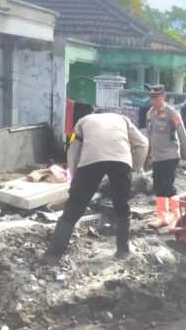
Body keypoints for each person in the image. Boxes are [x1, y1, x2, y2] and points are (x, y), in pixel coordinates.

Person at [47, 110, 148, 259]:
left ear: (95, 113)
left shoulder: (83, 120)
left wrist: (75, 177)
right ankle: (123, 251)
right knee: (122, 207)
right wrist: (136, 168)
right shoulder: (123, 119)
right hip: (121, 161)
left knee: (74, 207)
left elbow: (73, 149)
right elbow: (143, 143)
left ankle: (53, 254)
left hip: (90, 162)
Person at [146, 84, 186, 228]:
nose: (154, 100)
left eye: (156, 97)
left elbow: (183, 135)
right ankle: (162, 217)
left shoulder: (172, 113)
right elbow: (150, 136)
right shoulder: (150, 113)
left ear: (163, 97)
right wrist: (148, 156)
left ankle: (177, 216)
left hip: (170, 156)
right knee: (158, 186)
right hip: (157, 157)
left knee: (167, 186)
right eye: (152, 97)